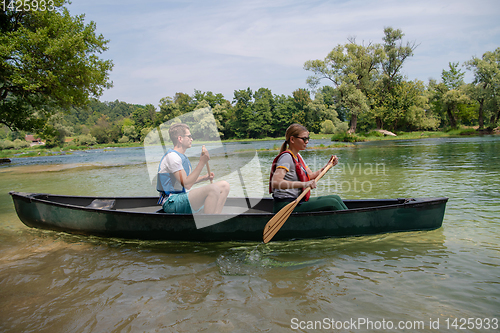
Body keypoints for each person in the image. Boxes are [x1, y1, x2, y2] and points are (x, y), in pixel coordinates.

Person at [269, 123, 348, 213]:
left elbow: (310, 176)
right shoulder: (286, 157)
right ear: (292, 139)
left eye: (308, 138)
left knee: (335, 198)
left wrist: (328, 166)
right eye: (304, 139)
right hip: (285, 206)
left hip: (297, 201)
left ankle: (352, 221)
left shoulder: (298, 156)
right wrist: (304, 184)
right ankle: (353, 224)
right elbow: (276, 182)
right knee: (332, 202)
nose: (307, 142)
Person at [157, 123, 230, 214]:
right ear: (180, 139)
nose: (192, 139)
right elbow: (187, 184)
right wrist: (202, 162)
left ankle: (215, 218)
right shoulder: (172, 157)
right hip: (171, 202)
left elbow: (185, 181)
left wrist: (204, 178)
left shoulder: (180, 157)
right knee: (213, 189)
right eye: (189, 136)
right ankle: (208, 224)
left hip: (181, 198)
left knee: (224, 185)